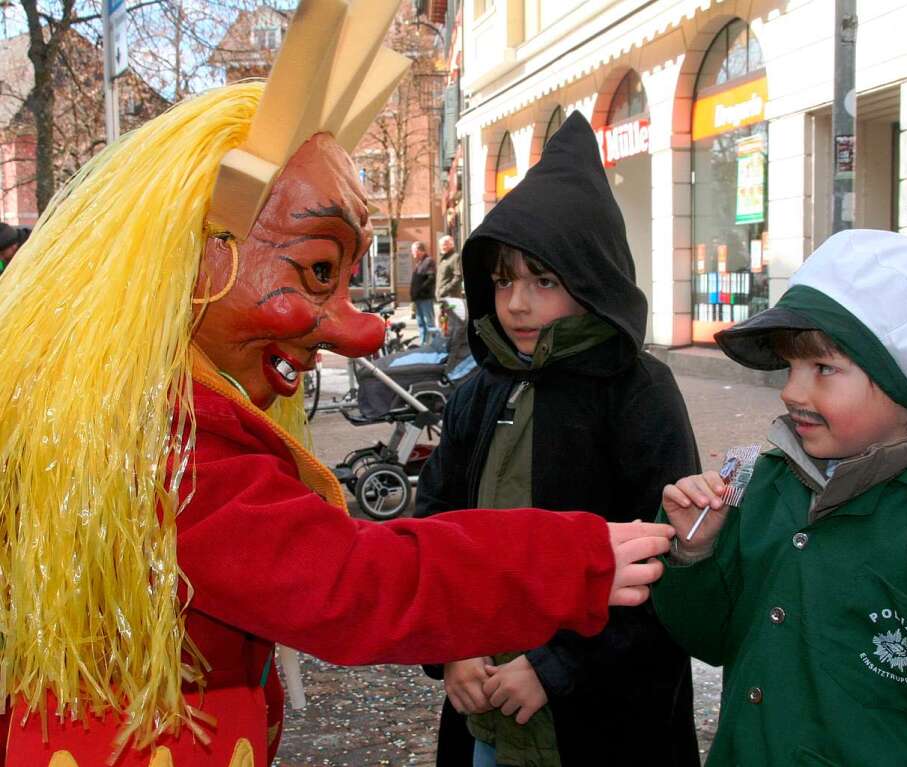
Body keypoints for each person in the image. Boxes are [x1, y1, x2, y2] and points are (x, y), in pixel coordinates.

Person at [0, 4, 675, 764]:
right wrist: (570, 560)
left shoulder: (105, 419)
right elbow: (359, 580)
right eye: (318, 271)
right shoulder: (168, 444)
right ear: (193, 257)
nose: (356, 330)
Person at [654, 229, 907, 766]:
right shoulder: (769, 484)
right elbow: (711, 638)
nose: (791, 391)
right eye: (791, 366)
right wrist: (694, 554)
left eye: (823, 368)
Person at [415, 111, 702, 767]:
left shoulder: (637, 392)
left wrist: (552, 666)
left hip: (601, 720)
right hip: (484, 711)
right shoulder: (481, 388)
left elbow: (663, 559)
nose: (516, 303)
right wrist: (451, 646)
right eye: (503, 278)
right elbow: (432, 527)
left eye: (543, 280)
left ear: (591, 277)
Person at [410, 239, 437, 342]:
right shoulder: (419, 263)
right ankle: (423, 344)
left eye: (413, 251)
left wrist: (420, 290)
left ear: (418, 250)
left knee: (429, 322)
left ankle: (435, 344)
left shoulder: (428, 261)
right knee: (421, 323)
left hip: (425, 298)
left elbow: (431, 278)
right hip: (418, 298)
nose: (412, 253)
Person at [435, 234, 463, 300]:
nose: (442, 247)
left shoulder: (455, 257)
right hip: (442, 297)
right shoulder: (443, 259)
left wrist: (444, 290)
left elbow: (458, 277)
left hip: (451, 297)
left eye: (445, 244)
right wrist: (437, 291)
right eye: (441, 245)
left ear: (451, 245)